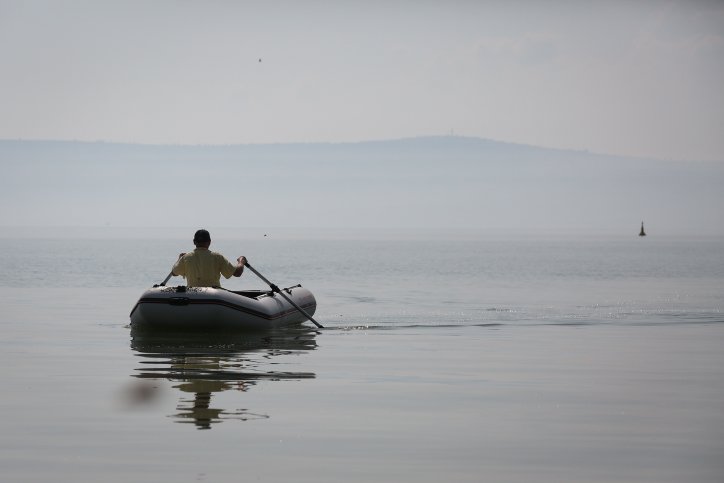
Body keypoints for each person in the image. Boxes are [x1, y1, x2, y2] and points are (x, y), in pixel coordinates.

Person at [172, 229, 246, 288]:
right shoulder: (217, 257)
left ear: (194, 242)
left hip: (193, 295)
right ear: (209, 242)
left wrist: (179, 259)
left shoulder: (186, 258)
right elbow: (237, 273)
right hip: (214, 297)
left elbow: (174, 273)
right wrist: (241, 261)